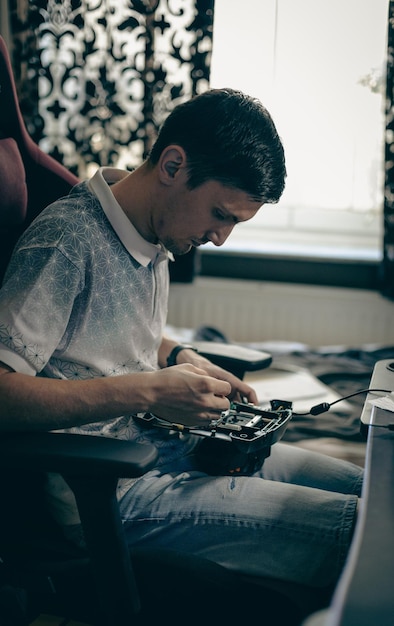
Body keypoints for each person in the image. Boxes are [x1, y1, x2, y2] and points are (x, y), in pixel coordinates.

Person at [0, 88, 362, 590]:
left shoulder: (150, 229)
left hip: (172, 449)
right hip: (109, 491)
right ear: (173, 165)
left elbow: (99, 328)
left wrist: (181, 354)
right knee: (359, 533)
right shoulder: (65, 242)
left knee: (371, 493)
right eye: (221, 214)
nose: (220, 237)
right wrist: (149, 389)